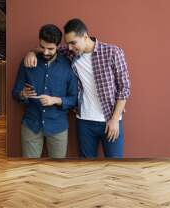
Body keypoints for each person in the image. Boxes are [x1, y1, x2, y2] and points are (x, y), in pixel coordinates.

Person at [24, 18, 131, 158]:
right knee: (85, 168)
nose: (69, 47)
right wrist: (31, 53)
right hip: (84, 121)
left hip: (110, 119)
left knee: (115, 165)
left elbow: (125, 88)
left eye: (73, 43)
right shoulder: (71, 52)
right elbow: (47, 49)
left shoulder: (113, 52)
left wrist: (115, 119)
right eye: (68, 43)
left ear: (85, 37)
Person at [12, 24, 78, 158]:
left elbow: (74, 98)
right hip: (31, 125)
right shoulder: (27, 62)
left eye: (50, 49)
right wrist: (22, 94)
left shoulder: (68, 66)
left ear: (58, 46)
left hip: (58, 126)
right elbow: (15, 93)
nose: (45, 52)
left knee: (57, 171)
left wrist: (55, 100)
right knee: (30, 169)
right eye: (42, 47)